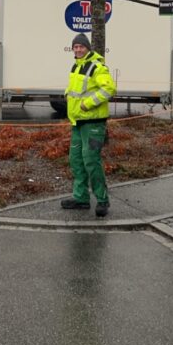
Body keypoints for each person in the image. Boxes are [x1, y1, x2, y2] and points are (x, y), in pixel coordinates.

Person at [61, 32, 117, 218]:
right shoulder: (77, 66)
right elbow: (76, 88)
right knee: (76, 160)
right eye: (75, 47)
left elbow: (109, 89)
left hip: (93, 123)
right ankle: (81, 198)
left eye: (81, 46)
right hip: (77, 122)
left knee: (91, 161)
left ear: (87, 48)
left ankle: (102, 200)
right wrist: (66, 93)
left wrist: (88, 103)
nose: (78, 49)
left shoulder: (97, 66)